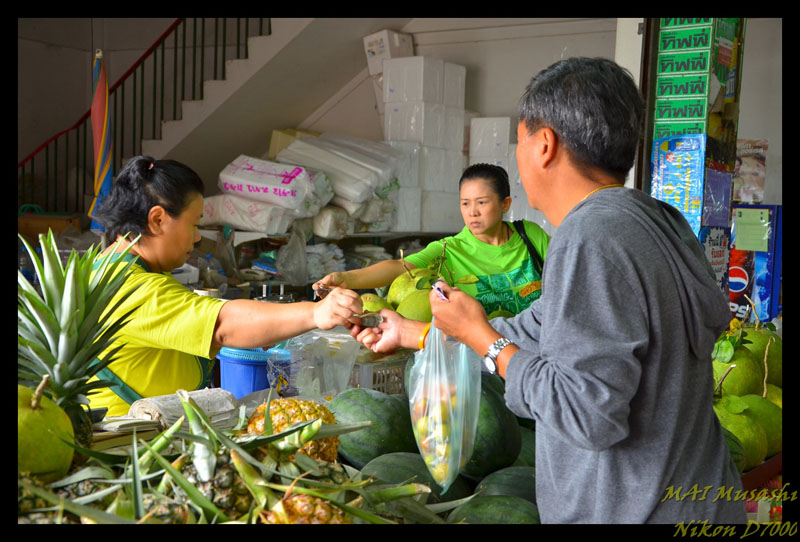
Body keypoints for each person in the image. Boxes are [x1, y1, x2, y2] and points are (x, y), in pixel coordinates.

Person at [353, 57, 746, 524]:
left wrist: (486, 341)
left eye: (518, 142)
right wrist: (416, 332)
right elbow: (540, 328)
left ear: (543, 144)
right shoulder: (655, 218)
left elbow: (586, 413)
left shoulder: (590, 237)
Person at [87, 156, 363, 417]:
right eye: (194, 225)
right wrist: (316, 313)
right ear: (158, 220)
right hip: (127, 440)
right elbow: (222, 325)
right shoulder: (131, 287)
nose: (196, 238)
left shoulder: (106, 266)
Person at [312, 163, 550, 315]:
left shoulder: (529, 235)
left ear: (505, 204)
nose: (472, 212)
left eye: (482, 202)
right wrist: (346, 278)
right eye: (465, 203)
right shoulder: (449, 250)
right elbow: (399, 267)